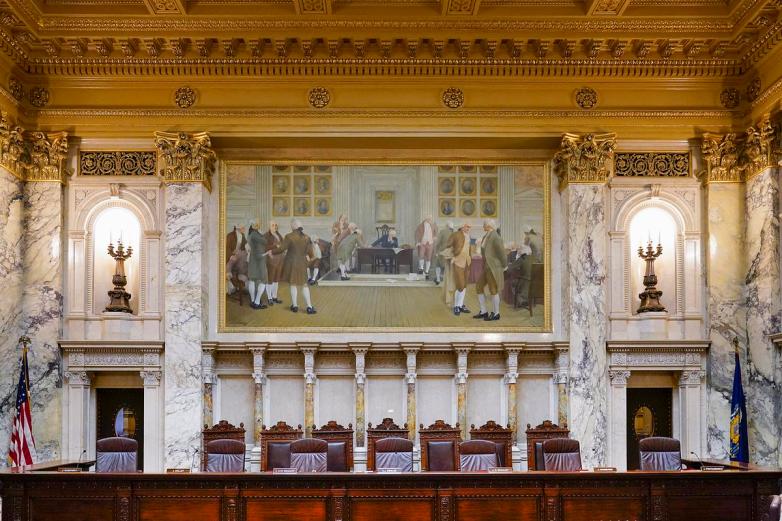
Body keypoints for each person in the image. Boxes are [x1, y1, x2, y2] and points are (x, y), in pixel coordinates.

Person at [270, 219, 317, 314]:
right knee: (304, 285)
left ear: (293, 226)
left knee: (293, 284)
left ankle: (295, 306)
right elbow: (311, 253)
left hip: (291, 264)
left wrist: (272, 252)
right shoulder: (307, 237)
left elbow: (281, 249)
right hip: (302, 264)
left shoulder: (289, 236)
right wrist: (310, 258)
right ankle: (309, 307)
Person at [474, 219, 507, 321]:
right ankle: (484, 311)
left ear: (489, 226)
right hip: (486, 267)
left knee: (493, 290)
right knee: (479, 287)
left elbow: (502, 254)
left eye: (484, 225)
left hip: (493, 268)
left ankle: (496, 313)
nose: (483, 226)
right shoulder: (486, 236)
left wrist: (504, 266)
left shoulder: (496, 237)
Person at [446, 222, 471, 316]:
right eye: (467, 226)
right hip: (458, 262)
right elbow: (448, 245)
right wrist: (452, 256)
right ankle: (456, 306)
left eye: (469, 227)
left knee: (464, 285)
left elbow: (468, 249)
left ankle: (460, 305)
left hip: (467, 262)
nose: (468, 228)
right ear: (461, 227)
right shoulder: (455, 234)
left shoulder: (468, 236)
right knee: (460, 284)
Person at [247, 222, 269, 309]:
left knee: (252, 279)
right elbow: (265, 241)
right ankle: (256, 302)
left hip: (253, 260)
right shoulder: (256, 235)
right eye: (256, 225)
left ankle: (253, 301)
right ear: (253, 226)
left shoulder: (251, 235)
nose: (258, 226)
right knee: (264, 280)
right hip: (259, 260)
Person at [264, 221, 285, 304]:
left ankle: (274, 297)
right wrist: (275, 246)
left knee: (276, 279)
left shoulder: (278, 234)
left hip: (279, 259)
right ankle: (269, 298)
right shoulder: (266, 235)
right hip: (271, 260)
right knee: (270, 279)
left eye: (276, 225)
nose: (275, 226)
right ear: (269, 226)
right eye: (273, 225)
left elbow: (283, 244)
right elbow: (264, 247)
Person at [226, 225, 248, 295]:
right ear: (238, 228)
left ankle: (240, 283)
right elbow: (226, 247)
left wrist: (248, 249)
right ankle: (234, 285)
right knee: (230, 265)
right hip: (231, 257)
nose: (244, 229)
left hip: (239, 256)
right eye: (243, 227)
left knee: (244, 263)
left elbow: (245, 245)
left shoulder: (242, 235)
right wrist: (231, 255)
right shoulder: (230, 235)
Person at [433, 221, 454, 285]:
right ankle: (447, 281)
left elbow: (438, 242)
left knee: (438, 265)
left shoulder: (442, 231)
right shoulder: (454, 233)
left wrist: (436, 251)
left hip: (442, 251)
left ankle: (438, 279)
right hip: (451, 252)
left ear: (446, 226)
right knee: (448, 266)